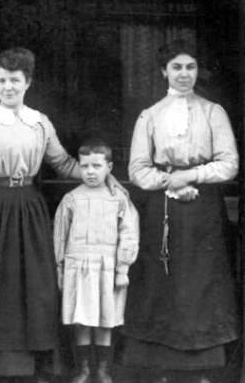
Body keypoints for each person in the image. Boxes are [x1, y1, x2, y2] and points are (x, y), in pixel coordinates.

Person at [0, 46, 84, 381]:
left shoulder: (40, 122)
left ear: (28, 83)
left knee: (36, 286)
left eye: (14, 80)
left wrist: (103, 175)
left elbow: (65, 164)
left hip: (30, 209)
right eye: (1, 80)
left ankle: (36, 365)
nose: (7, 86)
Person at [121, 40, 240, 383]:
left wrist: (193, 175)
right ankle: (159, 362)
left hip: (203, 209)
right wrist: (171, 182)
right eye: (177, 67)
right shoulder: (150, 116)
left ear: (197, 70)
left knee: (202, 279)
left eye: (190, 67)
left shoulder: (213, 112)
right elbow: (139, 169)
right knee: (163, 280)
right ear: (163, 72)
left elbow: (229, 164)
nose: (184, 74)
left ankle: (203, 364)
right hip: (163, 208)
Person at [53, 139, 139, 383]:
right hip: (77, 268)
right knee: (81, 319)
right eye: (85, 166)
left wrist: (122, 268)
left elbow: (129, 233)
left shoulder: (118, 199)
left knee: (105, 320)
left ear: (109, 167)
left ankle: (102, 369)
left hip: (107, 269)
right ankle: (84, 368)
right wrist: (60, 268)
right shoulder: (71, 199)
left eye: (97, 166)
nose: (90, 172)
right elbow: (59, 236)